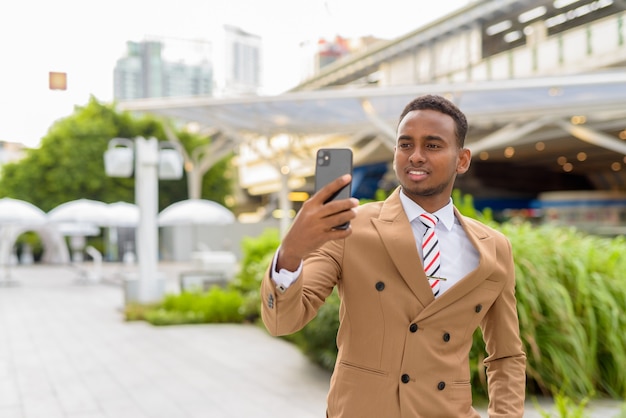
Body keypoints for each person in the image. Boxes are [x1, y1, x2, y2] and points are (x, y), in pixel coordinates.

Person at [261, 94, 526, 417]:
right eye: (405, 145)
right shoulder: (349, 229)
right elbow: (283, 322)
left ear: (462, 159)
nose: (415, 156)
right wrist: (291, 252)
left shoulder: (493, 247)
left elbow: (506, 355)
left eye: (432, 146)